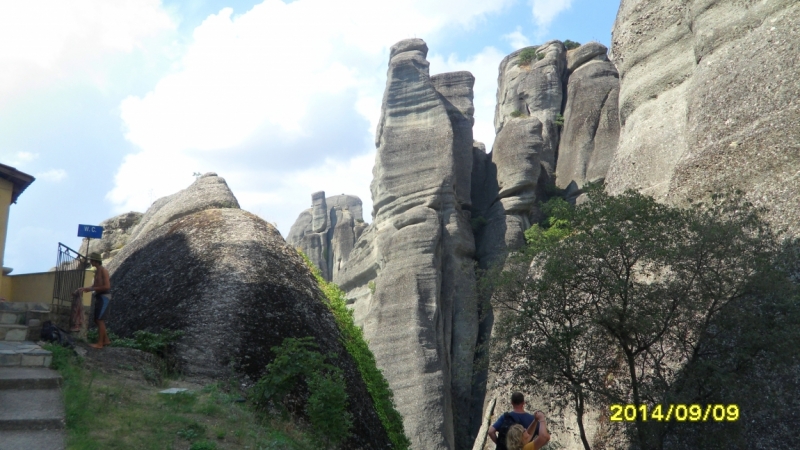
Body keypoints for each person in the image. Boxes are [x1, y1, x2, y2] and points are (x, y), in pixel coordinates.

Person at [75, 252, 111, 349]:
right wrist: (85, 289)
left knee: (99, 320)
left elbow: (107, 286)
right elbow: (95, 286)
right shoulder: (97, 271)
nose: (90, 261)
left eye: (91, 260)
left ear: (95, 261)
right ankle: (106, 340)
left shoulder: (104, 271)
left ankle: (100, 344)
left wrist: (92, 289)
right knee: (96, 319)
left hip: (104, 297)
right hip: (99, 296)